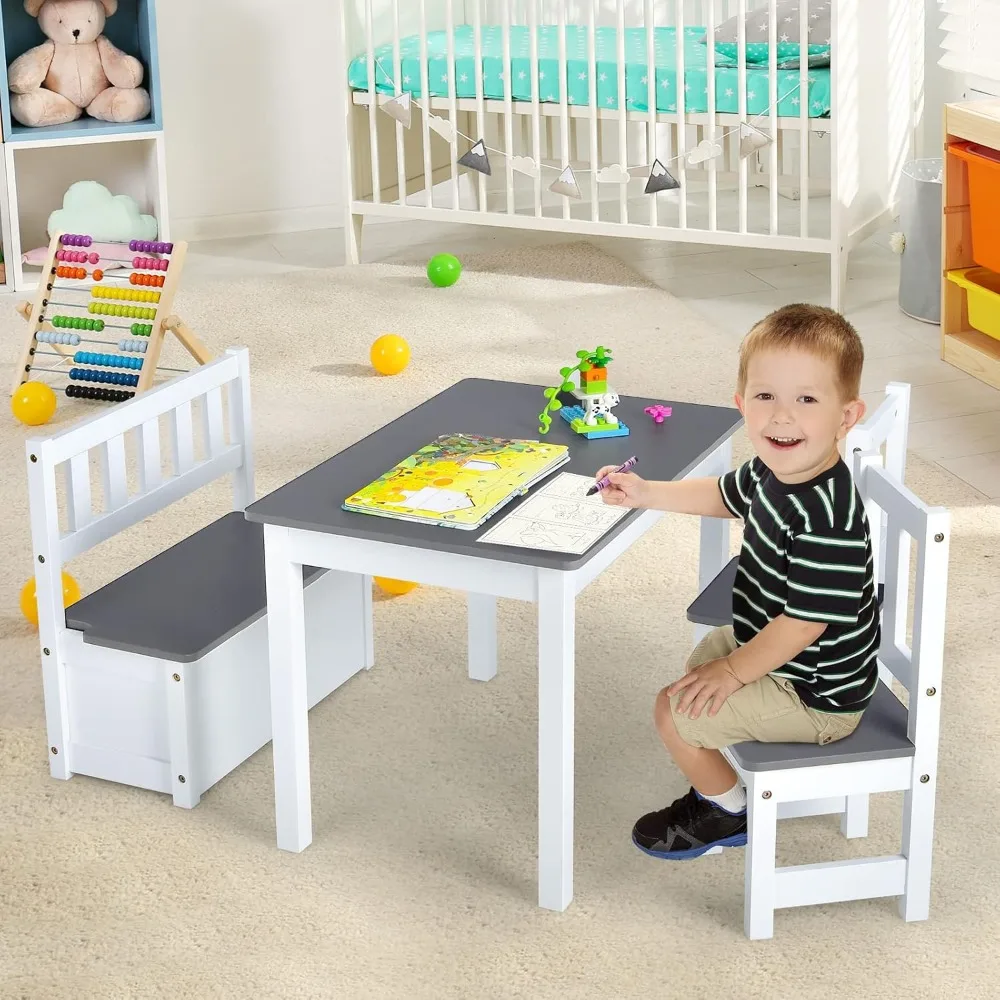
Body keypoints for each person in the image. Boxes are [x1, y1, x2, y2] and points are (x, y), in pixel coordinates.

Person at [594, 304, 881, 860]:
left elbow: (802, 625)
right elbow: (722, 495)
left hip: (818, 693)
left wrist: (733, 672)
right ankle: (722, 766)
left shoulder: (829, 516)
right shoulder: (774, 469)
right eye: (765, 396)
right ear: (741, 403)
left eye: (807, 399)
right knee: (699, 664)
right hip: (775, 646)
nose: (781, 418)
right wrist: (646, 491)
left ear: (847, 417)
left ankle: (727, 811)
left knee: (672, 711)